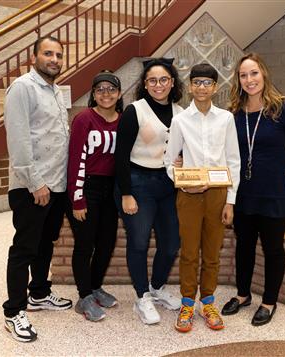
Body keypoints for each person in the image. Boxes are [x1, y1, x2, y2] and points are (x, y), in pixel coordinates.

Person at [221, 53, 285, 326]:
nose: (249, 80)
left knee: (272, 249)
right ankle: (243, 295)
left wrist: (275, 171)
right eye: (243, 75)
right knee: (243, 246)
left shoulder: (284, 110)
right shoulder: (233, 114)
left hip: (273, 194)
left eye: (254, 73)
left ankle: (269, 302)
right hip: (242, 193)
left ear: (264, 74)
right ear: (238, 80)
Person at [3, 36, 72, 343]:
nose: (54, 59)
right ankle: (13, 311)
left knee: (45, 243)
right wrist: (35, 183)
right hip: (32, 186)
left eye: (58, 54)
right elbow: (18, 141)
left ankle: (39, 293)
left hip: (56, 185)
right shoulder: (22, 88)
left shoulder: (57, 91)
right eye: (48, 53)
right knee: (25, 247)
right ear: (34, 57)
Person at [164, 63, 240, 332]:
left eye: (207, 83)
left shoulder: (226, 118)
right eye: (196, 82)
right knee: (188, 252)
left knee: (211, 252)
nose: (201, 87)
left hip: (218, 195)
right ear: (190, 86)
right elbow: (169, 162)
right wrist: (182, 184)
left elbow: (233, 160)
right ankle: (187, 302)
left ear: (215, 87)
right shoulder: (180, 120)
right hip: (189, 195)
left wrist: (230, 200)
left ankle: (207, 301)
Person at [114, 58, 184, 324]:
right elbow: (120, 156)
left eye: (164, 79)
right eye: (152, 80)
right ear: (145, 84)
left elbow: (184, 149)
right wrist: (126, 193)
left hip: (168, 184)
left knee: (171, 244)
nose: (158, 85)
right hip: (137, 182)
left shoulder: (180, 112)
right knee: (139, 242)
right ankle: (142, 297)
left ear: (172, 82)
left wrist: (183, 160)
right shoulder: (135, 110)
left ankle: (156, 288)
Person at [66, 71, 123, 322]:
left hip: (110, 190)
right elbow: (76, 159)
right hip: (86, 186)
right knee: (85, 243)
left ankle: (96, 286)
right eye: (100, 89)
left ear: (119, 94)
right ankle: (84, 295)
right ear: (93, 94)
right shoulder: (84, 118)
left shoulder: (123, 121)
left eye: (111, 89)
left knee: (107, 242)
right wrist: (77, 199)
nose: (106, 94)